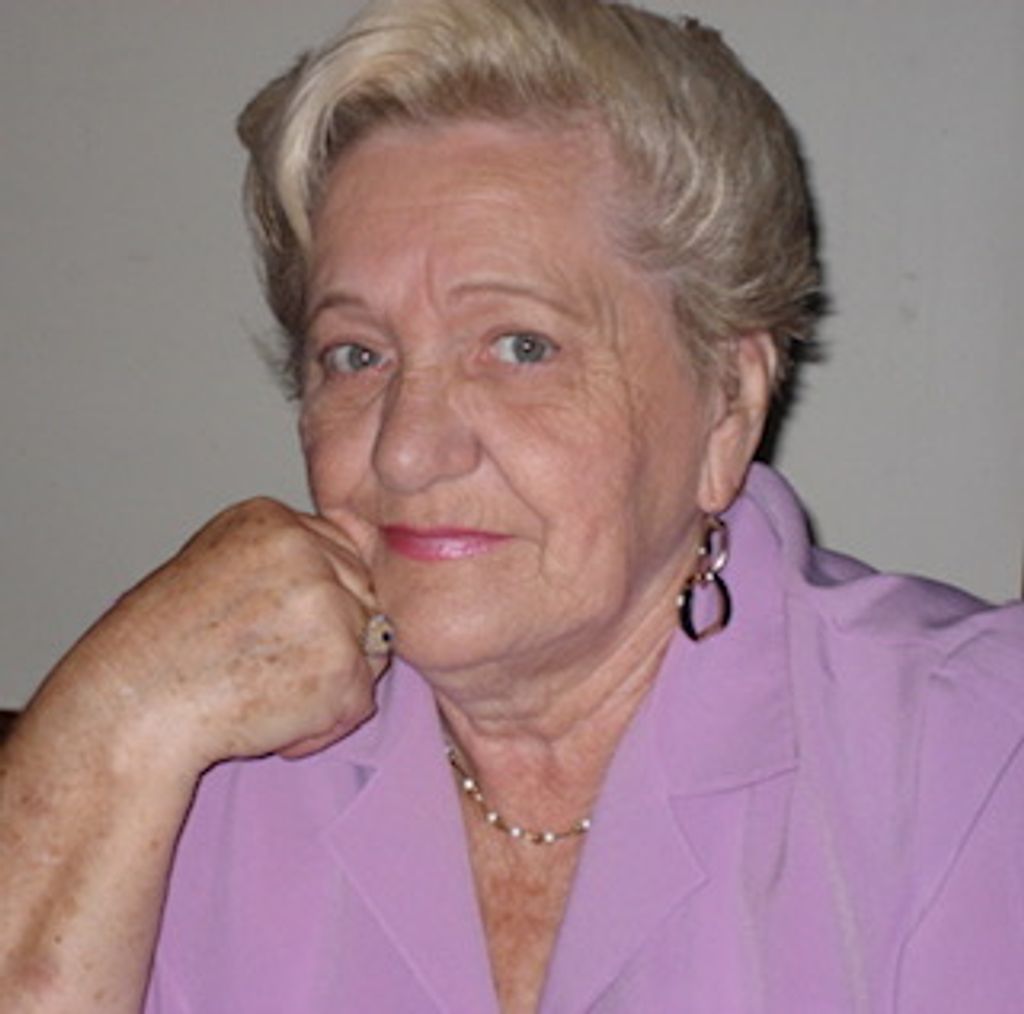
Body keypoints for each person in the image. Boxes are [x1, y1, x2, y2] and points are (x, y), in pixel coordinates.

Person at [1, 0, 1022, 1010]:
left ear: (727, 404)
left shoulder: (965, 761)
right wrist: (110, 715)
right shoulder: (218, 762)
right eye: (356, 355)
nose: (405, 450)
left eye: (519, 346)